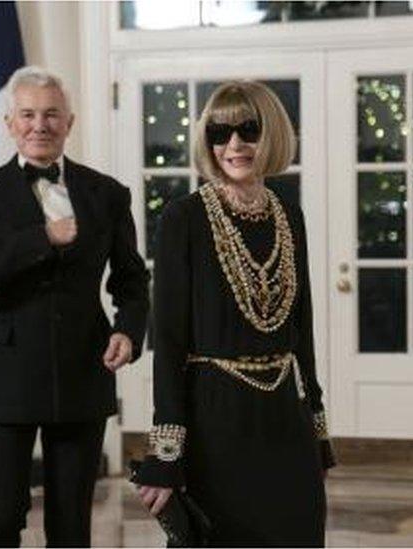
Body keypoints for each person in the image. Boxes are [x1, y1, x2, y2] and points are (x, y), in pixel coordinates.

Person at [0, 66, 149, 547]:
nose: (41, 125)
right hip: (6, 372)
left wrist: (128, 330)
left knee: (72, 523)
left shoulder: (108, 194)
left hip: (83, 366)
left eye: (52, 114)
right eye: (29, 114)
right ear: (10, 123)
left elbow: (131, 279)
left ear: (69, 122)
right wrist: (41, 238)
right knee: (1, 516)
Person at [135, 80, 335, 546]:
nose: (235, 145)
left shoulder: (290, 215)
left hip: (286, 415)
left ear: (272, 134)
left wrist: (318, 431)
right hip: (215, 418)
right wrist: (166, 453)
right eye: (219, 134)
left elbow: (301, 329)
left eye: (248, 130)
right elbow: (166, 340)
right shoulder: (182, 219)